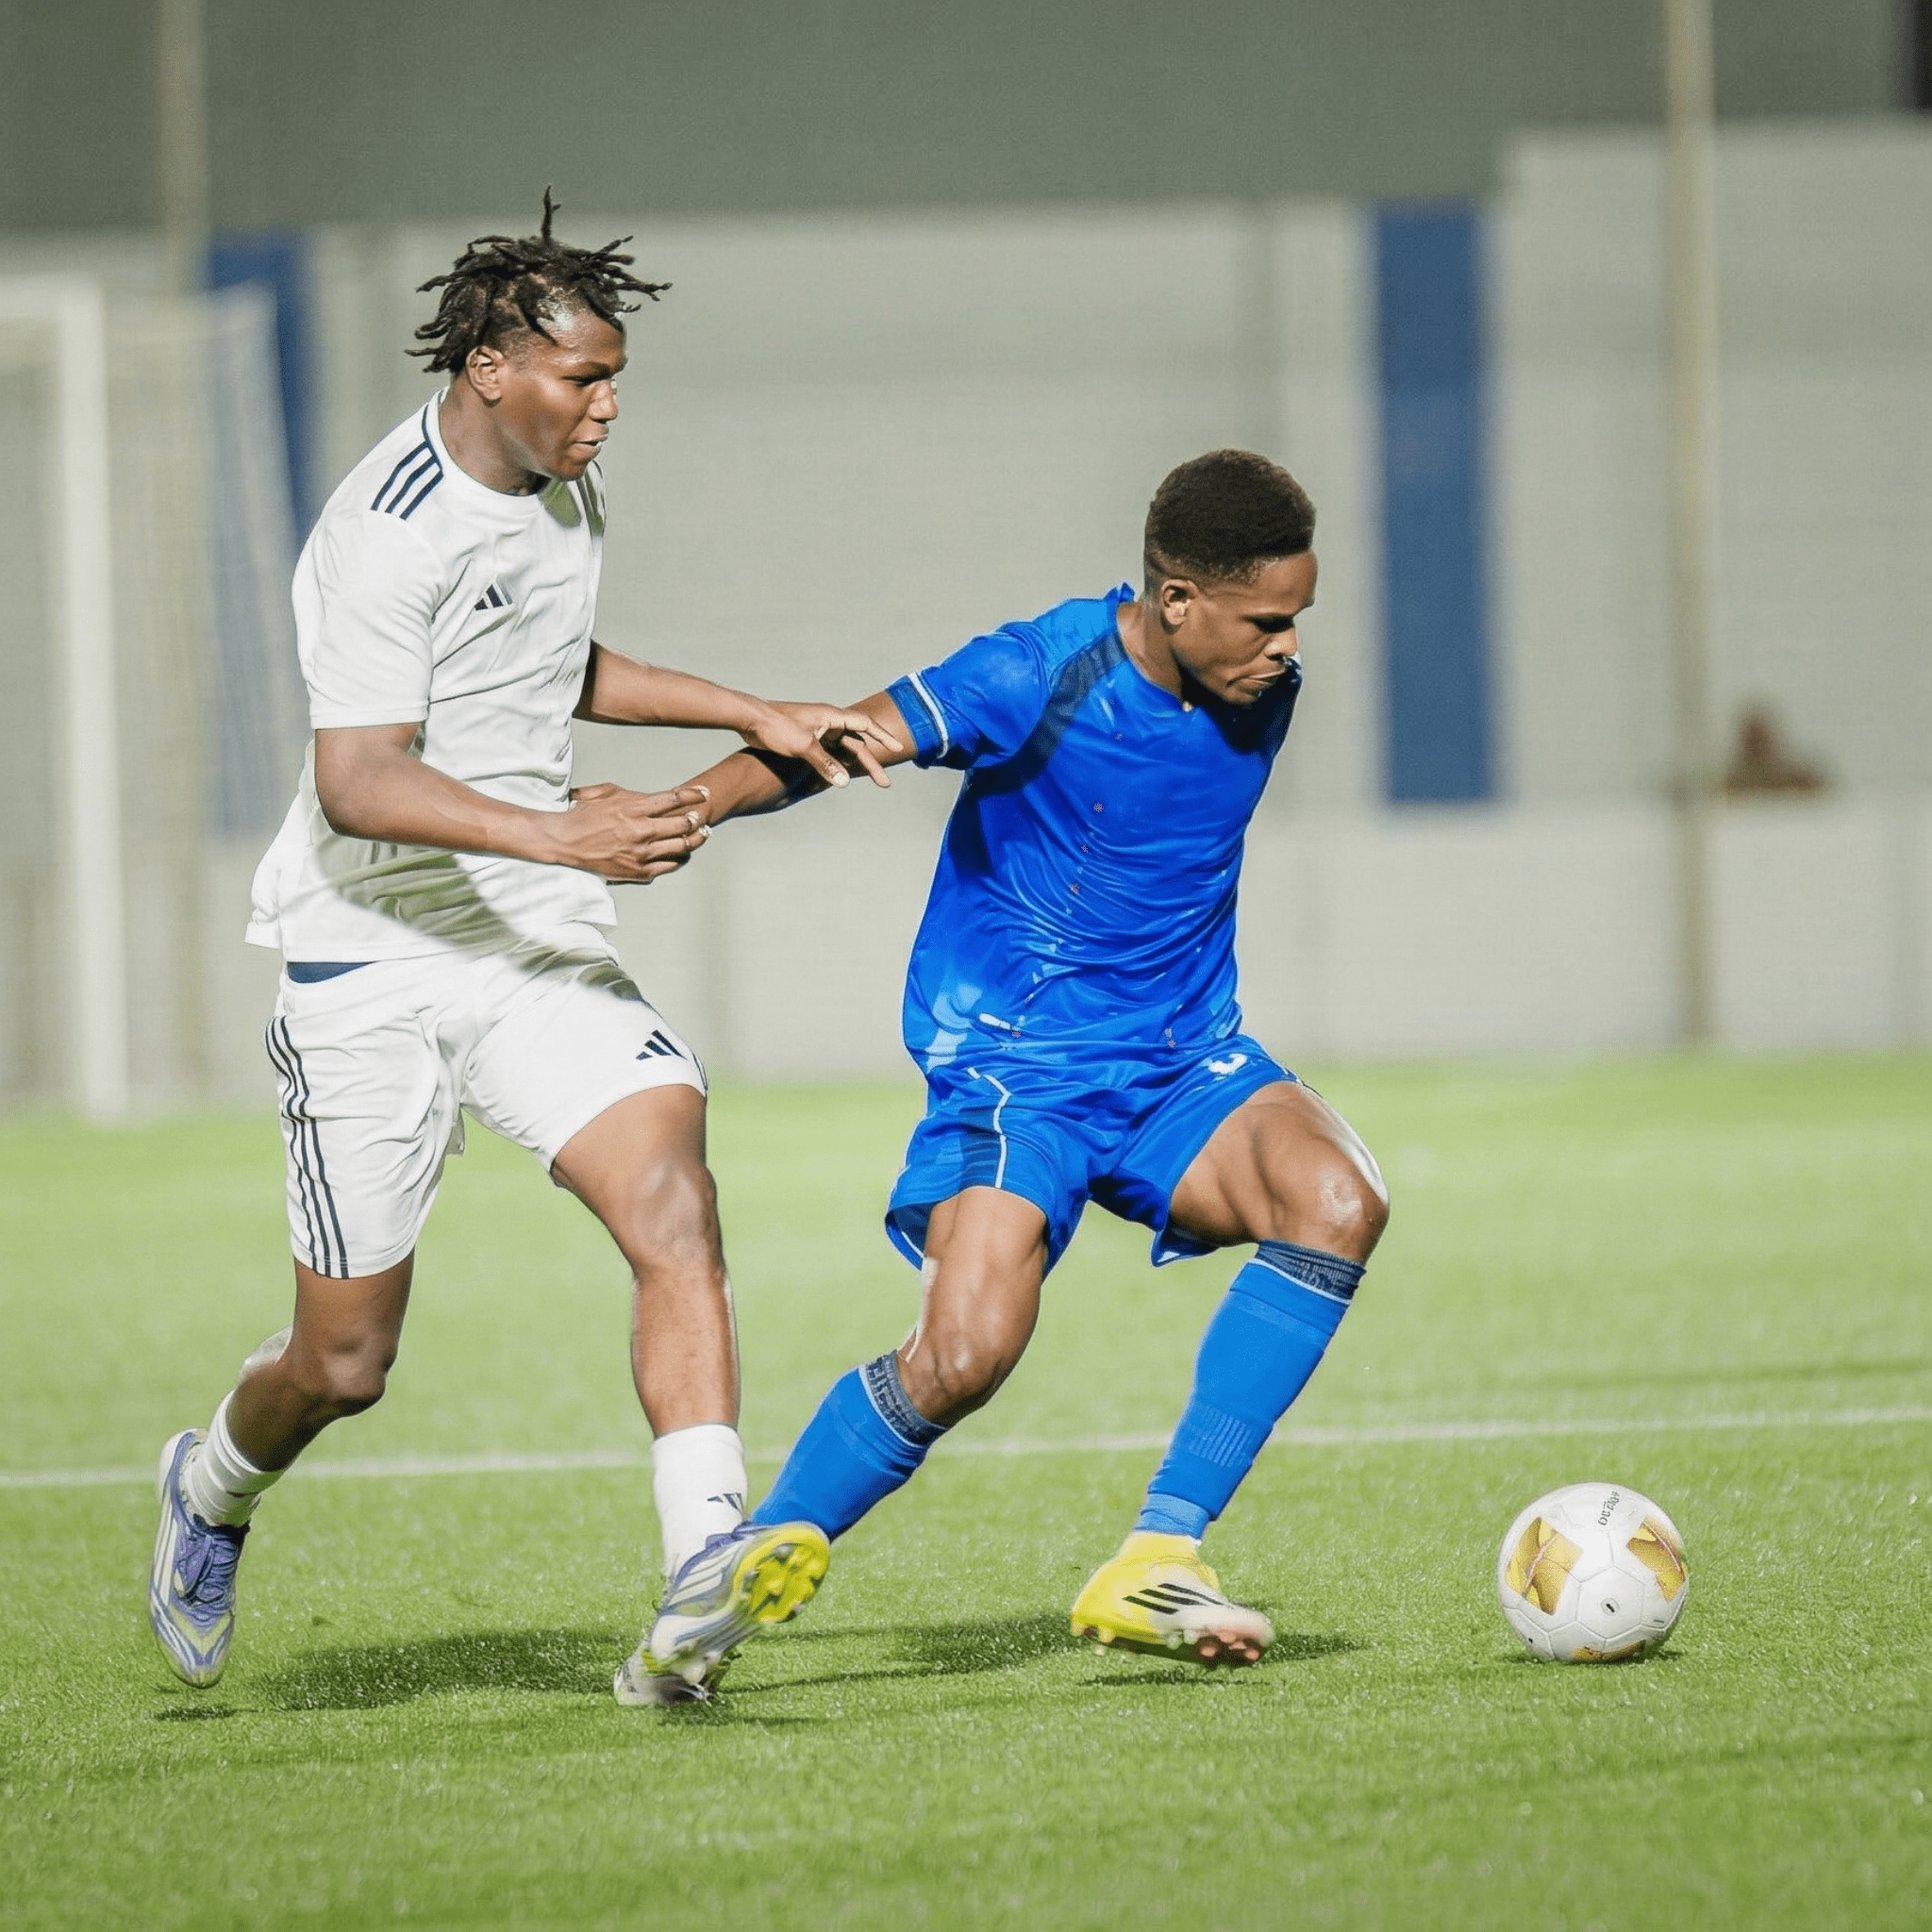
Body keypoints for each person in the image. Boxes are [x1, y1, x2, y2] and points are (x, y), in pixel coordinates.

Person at [147, 195, 898, 1707]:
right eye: (583, 378)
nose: (608, 407)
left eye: (617, 378)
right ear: (491, 368)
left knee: (672, 1190)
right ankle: (211, 1486)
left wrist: (746, 709)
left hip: (526, 938)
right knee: (343, 1366)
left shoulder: (562, 491)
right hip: (371, 952)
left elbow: (550, 661)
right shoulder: (385, 531)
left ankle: (706, 1565)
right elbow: (359, 778)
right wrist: (568, 835)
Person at [664, 449, 1389, 1674]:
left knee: (1337, 1199)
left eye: (1298, 617)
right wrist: (685, 808)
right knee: (963, 1357)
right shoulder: (1036, 671)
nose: (1288, 648)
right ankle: (731, 1577)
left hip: (1181, 1063)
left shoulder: (1258, 684)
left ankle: (1157, 1554)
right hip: (1020, 1070)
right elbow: (839, 741)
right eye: (1266, 621)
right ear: (1176, 601)